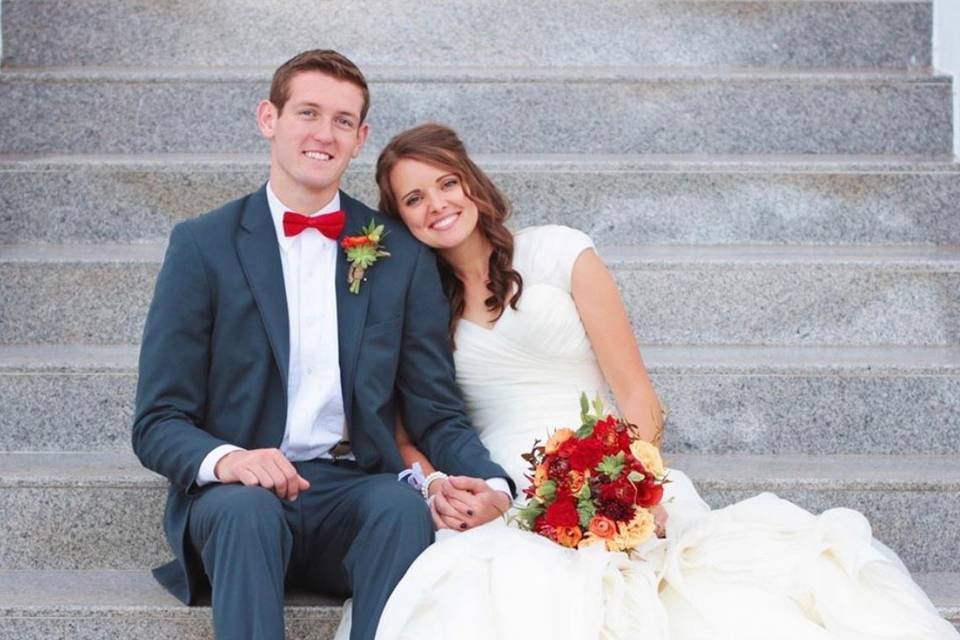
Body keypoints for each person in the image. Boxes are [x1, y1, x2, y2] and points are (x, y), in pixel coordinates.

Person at [354, 123, 958, 640]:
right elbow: (413, 431)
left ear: (472, 184)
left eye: (446, 183)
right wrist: (440, 485)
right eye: (413, 199)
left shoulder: (561, 253)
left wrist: (623, 489)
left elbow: (639, 394)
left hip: (612, 468)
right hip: (504, 490)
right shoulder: (420, 306)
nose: (436, 204)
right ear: (400, 218)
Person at [131, 53, 513, 640]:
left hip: (351, 488)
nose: (323, 133)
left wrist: (495, 487)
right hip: (241, 501)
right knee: (243, 508)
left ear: (360, 139)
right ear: (269, 118)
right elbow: (159, 420)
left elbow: (435, 411)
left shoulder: (398, 255)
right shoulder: (202, 246)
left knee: (400, 508)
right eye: (307, 112)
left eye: (342, 120)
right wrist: (229, 460)